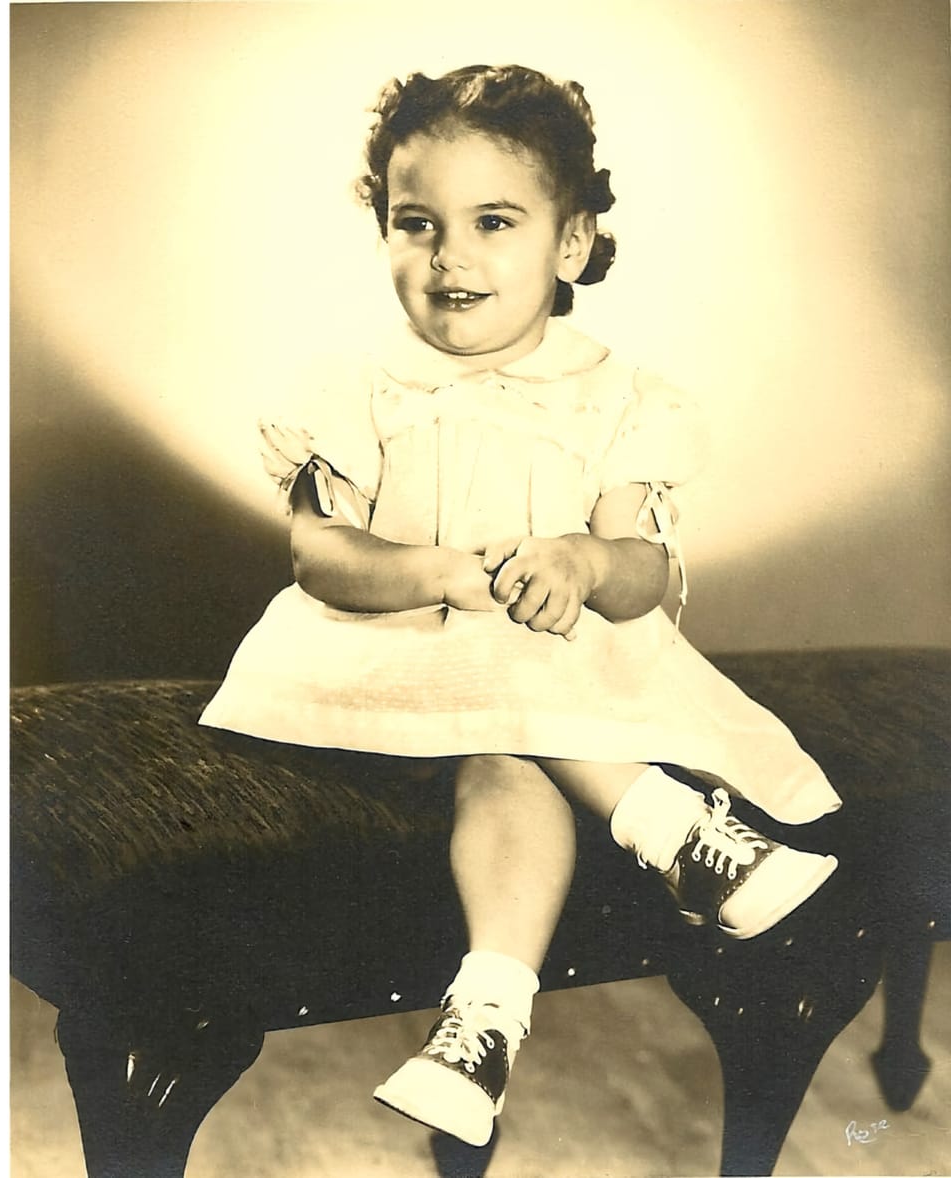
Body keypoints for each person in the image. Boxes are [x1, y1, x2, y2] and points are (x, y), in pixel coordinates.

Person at [197, 64, 840, 1149]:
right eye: (417, 223)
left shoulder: (622, 397)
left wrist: (583, 561)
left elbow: (642, 572)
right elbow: (318, 554)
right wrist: (435, 574)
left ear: (571, 242)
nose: (449, 255)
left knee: (510, 751)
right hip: (390, 655)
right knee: (507, 700)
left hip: (550, 682)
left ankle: (484, 1019)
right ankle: (673, 828)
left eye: (493, 222)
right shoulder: (357, 386)